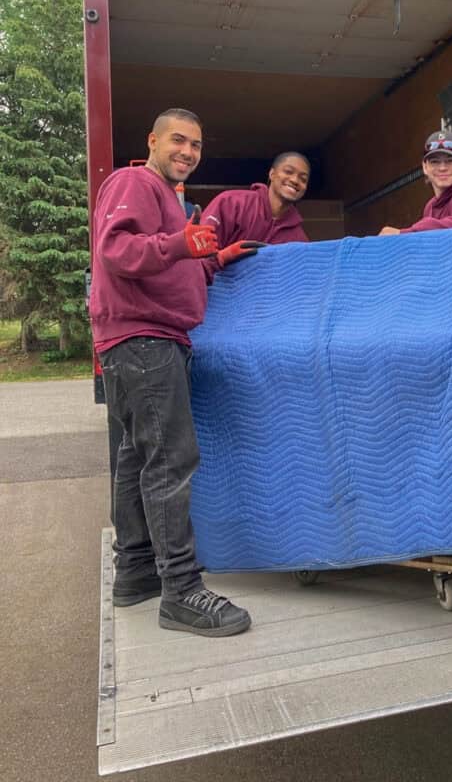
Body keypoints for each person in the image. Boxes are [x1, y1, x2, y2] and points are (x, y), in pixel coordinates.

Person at [90, 108, 251, 637]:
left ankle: (135, 571)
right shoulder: (135, 181)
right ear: (152, 140)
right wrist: (182, 242)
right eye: (178, 141)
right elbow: (116, 250)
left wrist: (215, 256)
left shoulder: (171, 202)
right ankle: (181, 591)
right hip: (144, 339)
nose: (187, 151)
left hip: (143, 340)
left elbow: (174, 261)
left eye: (197, 145)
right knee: (171, 460)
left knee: (138, 457)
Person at [202, 151, 310, 269]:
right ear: (272, 174)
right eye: (288, 172)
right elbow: (199, 252)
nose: (295, 180)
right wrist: (223, 257)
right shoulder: (231, 202)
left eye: (303, 179)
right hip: (213, 284)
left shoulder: (299, 239)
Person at [379, 130, 452, 235]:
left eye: (450, 160)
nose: (442, 168)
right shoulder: (430, 206)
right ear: (425, 167)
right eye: (435, 162)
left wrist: (403, 234)